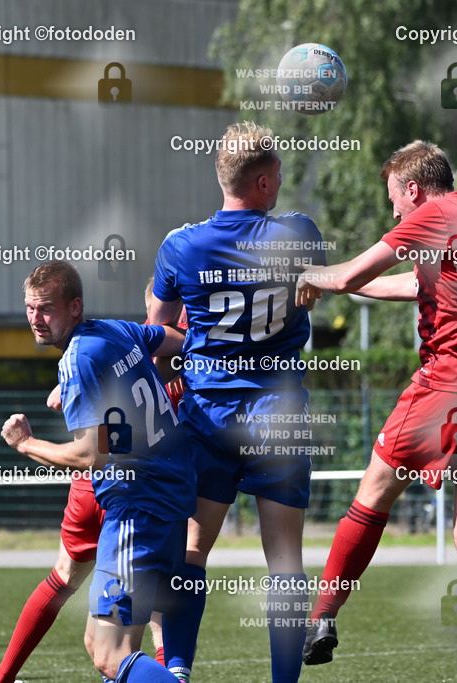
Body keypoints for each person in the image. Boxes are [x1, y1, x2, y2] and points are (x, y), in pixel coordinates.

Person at [296, 141, 457, 683]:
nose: (394, 213)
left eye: (394, 200)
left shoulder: (432, 214)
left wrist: (310, 276)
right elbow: (422, 285)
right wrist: (352, 289)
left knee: (373, 492)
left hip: (451, 386)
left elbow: (351, 273)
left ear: (413, 189)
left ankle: (321, 618)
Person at [149, 121, 326, 683]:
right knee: (285, 560)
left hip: (208, 417)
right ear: (268, 181)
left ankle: (175, 669)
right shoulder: (298, 232)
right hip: (279, 416)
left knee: (192, 551)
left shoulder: (181, 245)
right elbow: (310, 299)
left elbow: (157, 332)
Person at [0, 260, 192, 682]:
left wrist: (25, 444)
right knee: (116, 647)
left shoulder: (78, 360)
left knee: (108, 653)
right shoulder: (118, 331)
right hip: (172, 495)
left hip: (135, 506)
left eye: (46, 308)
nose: (36, 319)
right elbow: (178, 340)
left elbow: (91, 457)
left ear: (74, 307)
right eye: (30, 308)